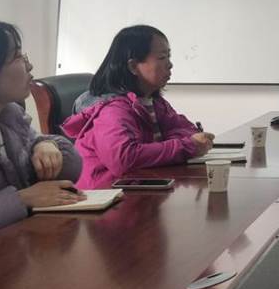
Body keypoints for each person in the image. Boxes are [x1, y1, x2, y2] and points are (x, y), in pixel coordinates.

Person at [62, 25, 214, 189]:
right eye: (162, 57)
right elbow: (123, 159)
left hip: (139, 186)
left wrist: (177, 143)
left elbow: (189, 130)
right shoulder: (112, 110)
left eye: (169, 56)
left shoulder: (154, 102)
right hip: (107, 194)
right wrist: (185, 146)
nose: (170, 65)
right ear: (133, 66)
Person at [0, 21, 83, 235]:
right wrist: (22, 199)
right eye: (18, 57)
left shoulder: (9, 117)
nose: (29, 66)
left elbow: (72, 168)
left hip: (18, 243)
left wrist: (45, 144)